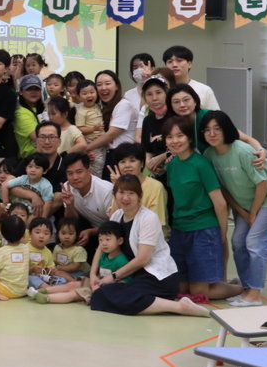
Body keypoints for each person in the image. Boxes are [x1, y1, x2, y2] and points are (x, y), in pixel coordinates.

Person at [201, 110, 267, 307]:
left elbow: (263, 183)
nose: (212, 134)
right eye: (207, 130)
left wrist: (253, 213)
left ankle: (255, 294)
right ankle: (246, 288)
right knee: (238, 242)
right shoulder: (209, 155)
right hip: (246, 202)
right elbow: (224, 189)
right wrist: (243, 212)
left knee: (255, 243)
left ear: (226, 130)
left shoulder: (241, 150)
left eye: (217, 129)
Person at [87, 175, 209, 317]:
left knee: (109, 294)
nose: (125, 198)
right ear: (115, 195)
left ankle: (180, 307)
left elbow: (143, 259)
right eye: (121, 192)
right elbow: (101, 246)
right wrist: (92, 274)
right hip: (131, 274)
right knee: (101, 293)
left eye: (131, 193)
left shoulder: (148, 218)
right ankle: (165, 304)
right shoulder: (116, 216)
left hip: (156, 276)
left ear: (139, 196)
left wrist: (112, 277)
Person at [162, 116, 238, 302]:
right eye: (170, 137)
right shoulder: (172, 166)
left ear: (189, 138)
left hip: (203, 230)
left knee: (199, 293)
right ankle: (230, 284)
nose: (175, 141)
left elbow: (220, 204)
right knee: (179, 288)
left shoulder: (201, 164)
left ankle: (242, 288)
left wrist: (221, 234)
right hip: (180, 231)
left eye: (180, 135)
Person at [57, 151, 114, 251]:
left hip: (110, 230)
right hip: (87, 225)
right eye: (70, 173)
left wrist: (91, 232)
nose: (75, 177)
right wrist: (70, 205)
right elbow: (71, 221)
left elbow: (115, 225)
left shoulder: (106, 191)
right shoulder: (67, 187)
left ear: (89, 171)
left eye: (79, 172)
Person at [162, 45, 219, 111]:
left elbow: (216, 116)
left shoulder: (204, 90)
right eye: (170, 62)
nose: (174, 65)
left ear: (189, 64)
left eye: (179, 60)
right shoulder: (161, 90)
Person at [12, 74, 46, 157]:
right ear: (21, 91)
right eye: (29, 89)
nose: (33, 92)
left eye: (36, 89)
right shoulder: (20, 113)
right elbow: (39, 138)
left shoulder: (43, 109)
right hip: (31, 159)